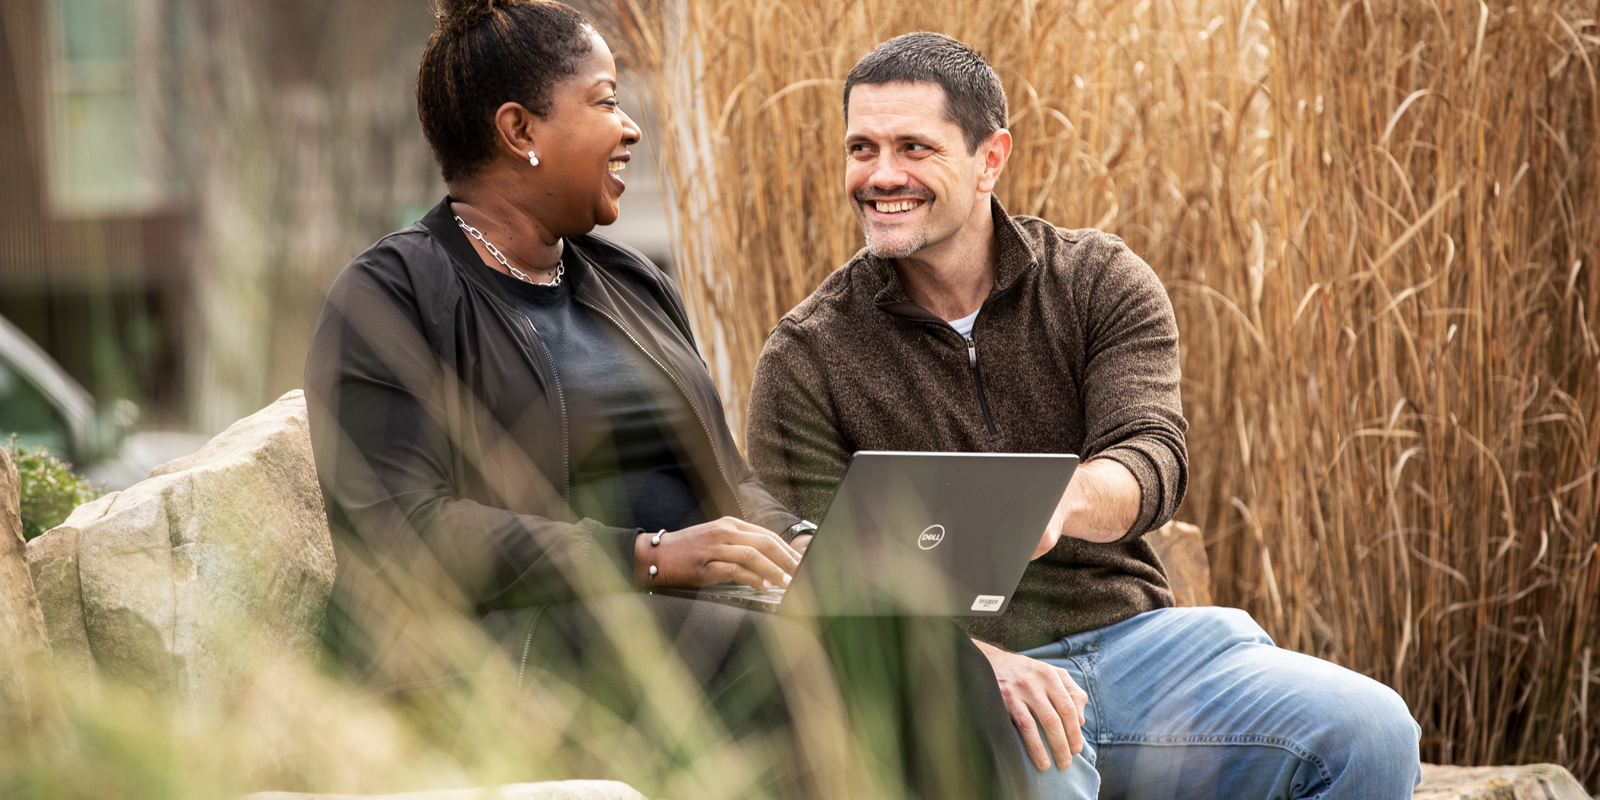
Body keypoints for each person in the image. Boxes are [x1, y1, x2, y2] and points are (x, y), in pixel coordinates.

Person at [304, 5, 1024, 797]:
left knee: (933, 657)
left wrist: (804, 544)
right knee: (806, 675)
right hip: (514, 643)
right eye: (605, 100)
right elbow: (402, 532)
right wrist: (646, 556)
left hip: (689, 615)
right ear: (520, 131)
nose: (630, 127)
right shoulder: (394, 293)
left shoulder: (630, 282)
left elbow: (725, 477)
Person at [747, 32, 1424, 800]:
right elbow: (809, 576)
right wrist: (971, 662)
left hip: (1141, 648)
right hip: (948, 675)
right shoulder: (807, 351)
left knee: (1370, 731)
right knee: (1037, 766)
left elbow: (1152, 455)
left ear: (990, 158)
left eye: (913, 147)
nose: (881, 176)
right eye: (861, 148)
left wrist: (1059, 501)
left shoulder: (1097, 280)